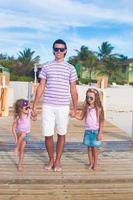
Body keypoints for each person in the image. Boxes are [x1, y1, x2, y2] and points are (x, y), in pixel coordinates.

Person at [32, 39, 78, 172]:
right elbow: (41, 86)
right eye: (56, 49)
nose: (59, 51)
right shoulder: (46, 66)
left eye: (61, 49)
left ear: (65, 51)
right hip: (48, 105)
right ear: (53, 50)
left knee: (61, 134)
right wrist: (35, 104)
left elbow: (73, 90)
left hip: (63, 106)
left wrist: (75, 108)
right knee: (47, 134)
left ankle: (58, 160)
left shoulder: (71, 68)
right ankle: (51, 159)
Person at [75, 88, 104, 170]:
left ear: (96, 98)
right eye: (87, 97)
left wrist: (100, 133)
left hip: (95, 131)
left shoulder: (98, 109)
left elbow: (101, 122)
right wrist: (74, 115)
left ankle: (95, 164)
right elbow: (81, 117)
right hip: (87, 131)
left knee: (95, 148)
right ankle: (90, 163)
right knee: (89, 148)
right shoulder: (86, 107)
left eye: (91, 98)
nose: (89, 99)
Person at [12, 99, 36, 171]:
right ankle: (16, 148)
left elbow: (34, 119)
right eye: (26, 108)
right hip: (19, 133)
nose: (28, 109)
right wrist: (16, 138)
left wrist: (35, 115)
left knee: (22, 150)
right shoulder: (18, 117)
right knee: (22, 134)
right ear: (20, 109)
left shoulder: (28, 114)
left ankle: (20, 164)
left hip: (27, 134)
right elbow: (13, 128)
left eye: (28, 107)